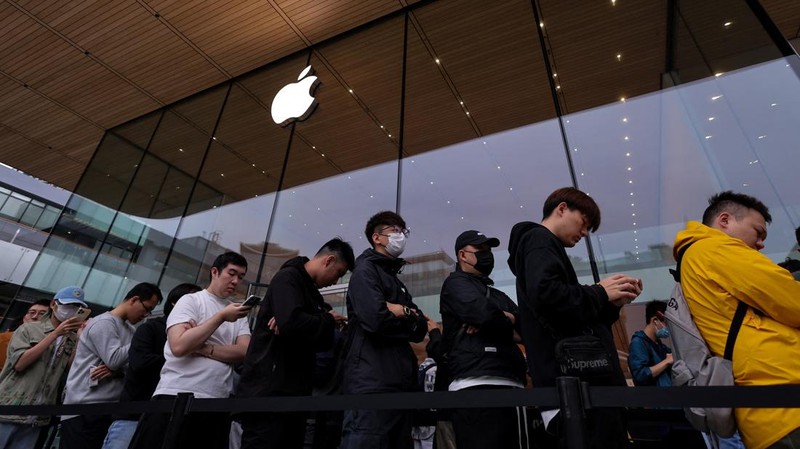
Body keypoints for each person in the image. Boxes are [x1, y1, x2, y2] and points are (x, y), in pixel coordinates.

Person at [507, 187, 642, 449]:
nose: (584, 233)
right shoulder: (538, 239)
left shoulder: (541, 244)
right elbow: (547, 293)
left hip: (575, 387)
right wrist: (600, 292)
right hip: (573, 389)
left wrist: (612, 302)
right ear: (562, 208)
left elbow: (566, 312)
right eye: (584, 223)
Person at [674, 191, 800, 449]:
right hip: (782, 400)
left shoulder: (695, 257)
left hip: (767, 407)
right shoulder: (715, 248)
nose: (761, 243)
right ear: (724, 220)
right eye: (758, 232)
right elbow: (792, 301)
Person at [236, 238, 354, 449]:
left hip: (294, 392)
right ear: (328, 260)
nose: (336, 282)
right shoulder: (288, 278)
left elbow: (319, 339)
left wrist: (307, 321)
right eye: (338, 273)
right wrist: (327, 319)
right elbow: (292, 323)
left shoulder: (314, 295)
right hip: (269, 392)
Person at [128, 252, 252, 449]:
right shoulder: (191, 301)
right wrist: (220, 317)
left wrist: (202, 347)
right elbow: (179, 346)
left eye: (241, 277)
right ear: (215, 272)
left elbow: (244, 352)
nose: (236, 281)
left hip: (217, 400)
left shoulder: (238, 313)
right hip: (175, 394)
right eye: (232, 273)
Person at [340, 211, 430, 449]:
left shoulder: (394, 280)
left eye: (403, 231)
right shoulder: (365, 272)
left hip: (399, 383)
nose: (401, 236)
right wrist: (404, 316)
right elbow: (375, 319)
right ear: (377, 238)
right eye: (395, 231)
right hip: (371, 383)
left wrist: (405, 311)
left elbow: (420, 328)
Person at [439, 230, 527, 449]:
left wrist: (507, 317)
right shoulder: (455, 284)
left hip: (513, 385)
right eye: (481, 250)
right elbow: (482, 313)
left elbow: (526, 327)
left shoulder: (496, 294)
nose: (487, 255)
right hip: (475, 386)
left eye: (489, 250)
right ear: (463, 255)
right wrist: (508, 327)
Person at [60, 282, 162, 449]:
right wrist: (141, 344)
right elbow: (114, 359)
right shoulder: (104, 322)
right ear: (134, 300)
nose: (146, 315)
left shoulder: (130, 330)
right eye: (146, 308)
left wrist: (117, 371)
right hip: (84, 409)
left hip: (108, 408)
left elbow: (131, 366)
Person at [100, 283, 201, 449]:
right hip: (133, 415)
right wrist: (180, 356)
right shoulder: (150, 328)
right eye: (194, 302)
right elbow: (140, 363)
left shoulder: (198, 337)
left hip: (170, 417)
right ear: (176, 303)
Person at [0, 287, 86, 449]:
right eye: (67, 306)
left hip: (38, 416)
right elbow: (20, 363)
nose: (71, 311)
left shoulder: (72, 338)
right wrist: (55, 334)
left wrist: (81, 339)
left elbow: (69, 368)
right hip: (8, 409)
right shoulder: (29, 329)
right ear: (54, 305)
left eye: (76, 308)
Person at [628, 301, 672, 387]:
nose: (668, 328)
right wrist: (666, 362)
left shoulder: (658, 344)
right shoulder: (638, 343)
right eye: (666, 323)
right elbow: (640, 376)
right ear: (655, 320)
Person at [0, 300, 51, 368]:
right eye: (32, 312)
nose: (34, 317)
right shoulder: (3, 338)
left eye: (42, 314)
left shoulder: (51, 344)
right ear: (24, 318)